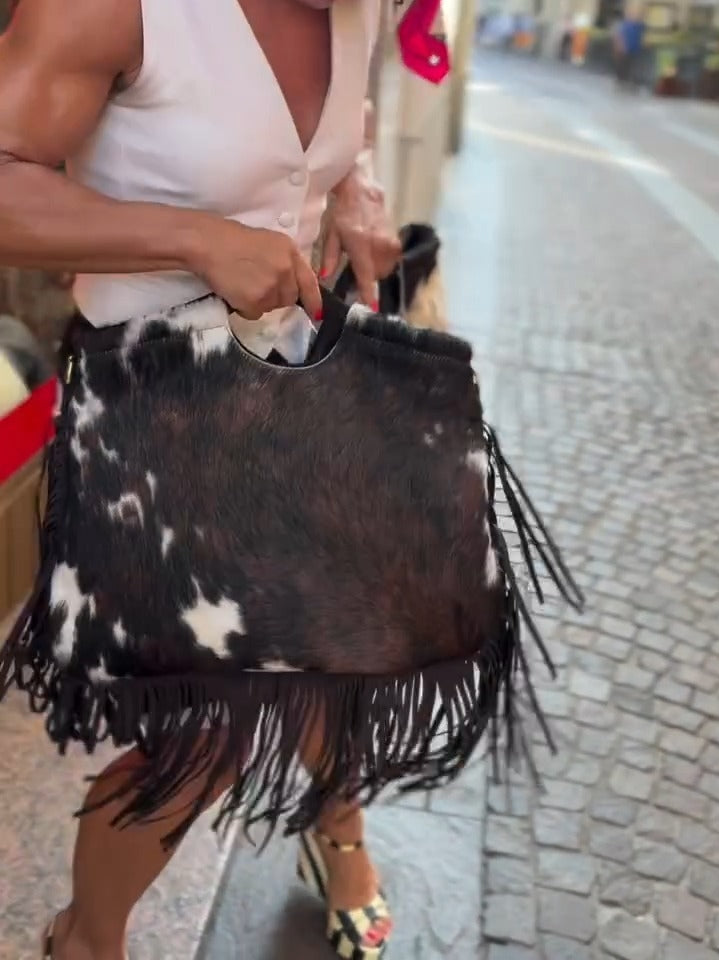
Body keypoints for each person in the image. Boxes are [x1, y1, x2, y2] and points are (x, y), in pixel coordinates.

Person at [0, 0, 402, 957]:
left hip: (299, 372)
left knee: (338, 638)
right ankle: (85, 940)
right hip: (154, 398)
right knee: (213, 722)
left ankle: (338, 830)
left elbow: (323, 135)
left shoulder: (365, 8)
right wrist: (193, 238)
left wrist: (355, 185)